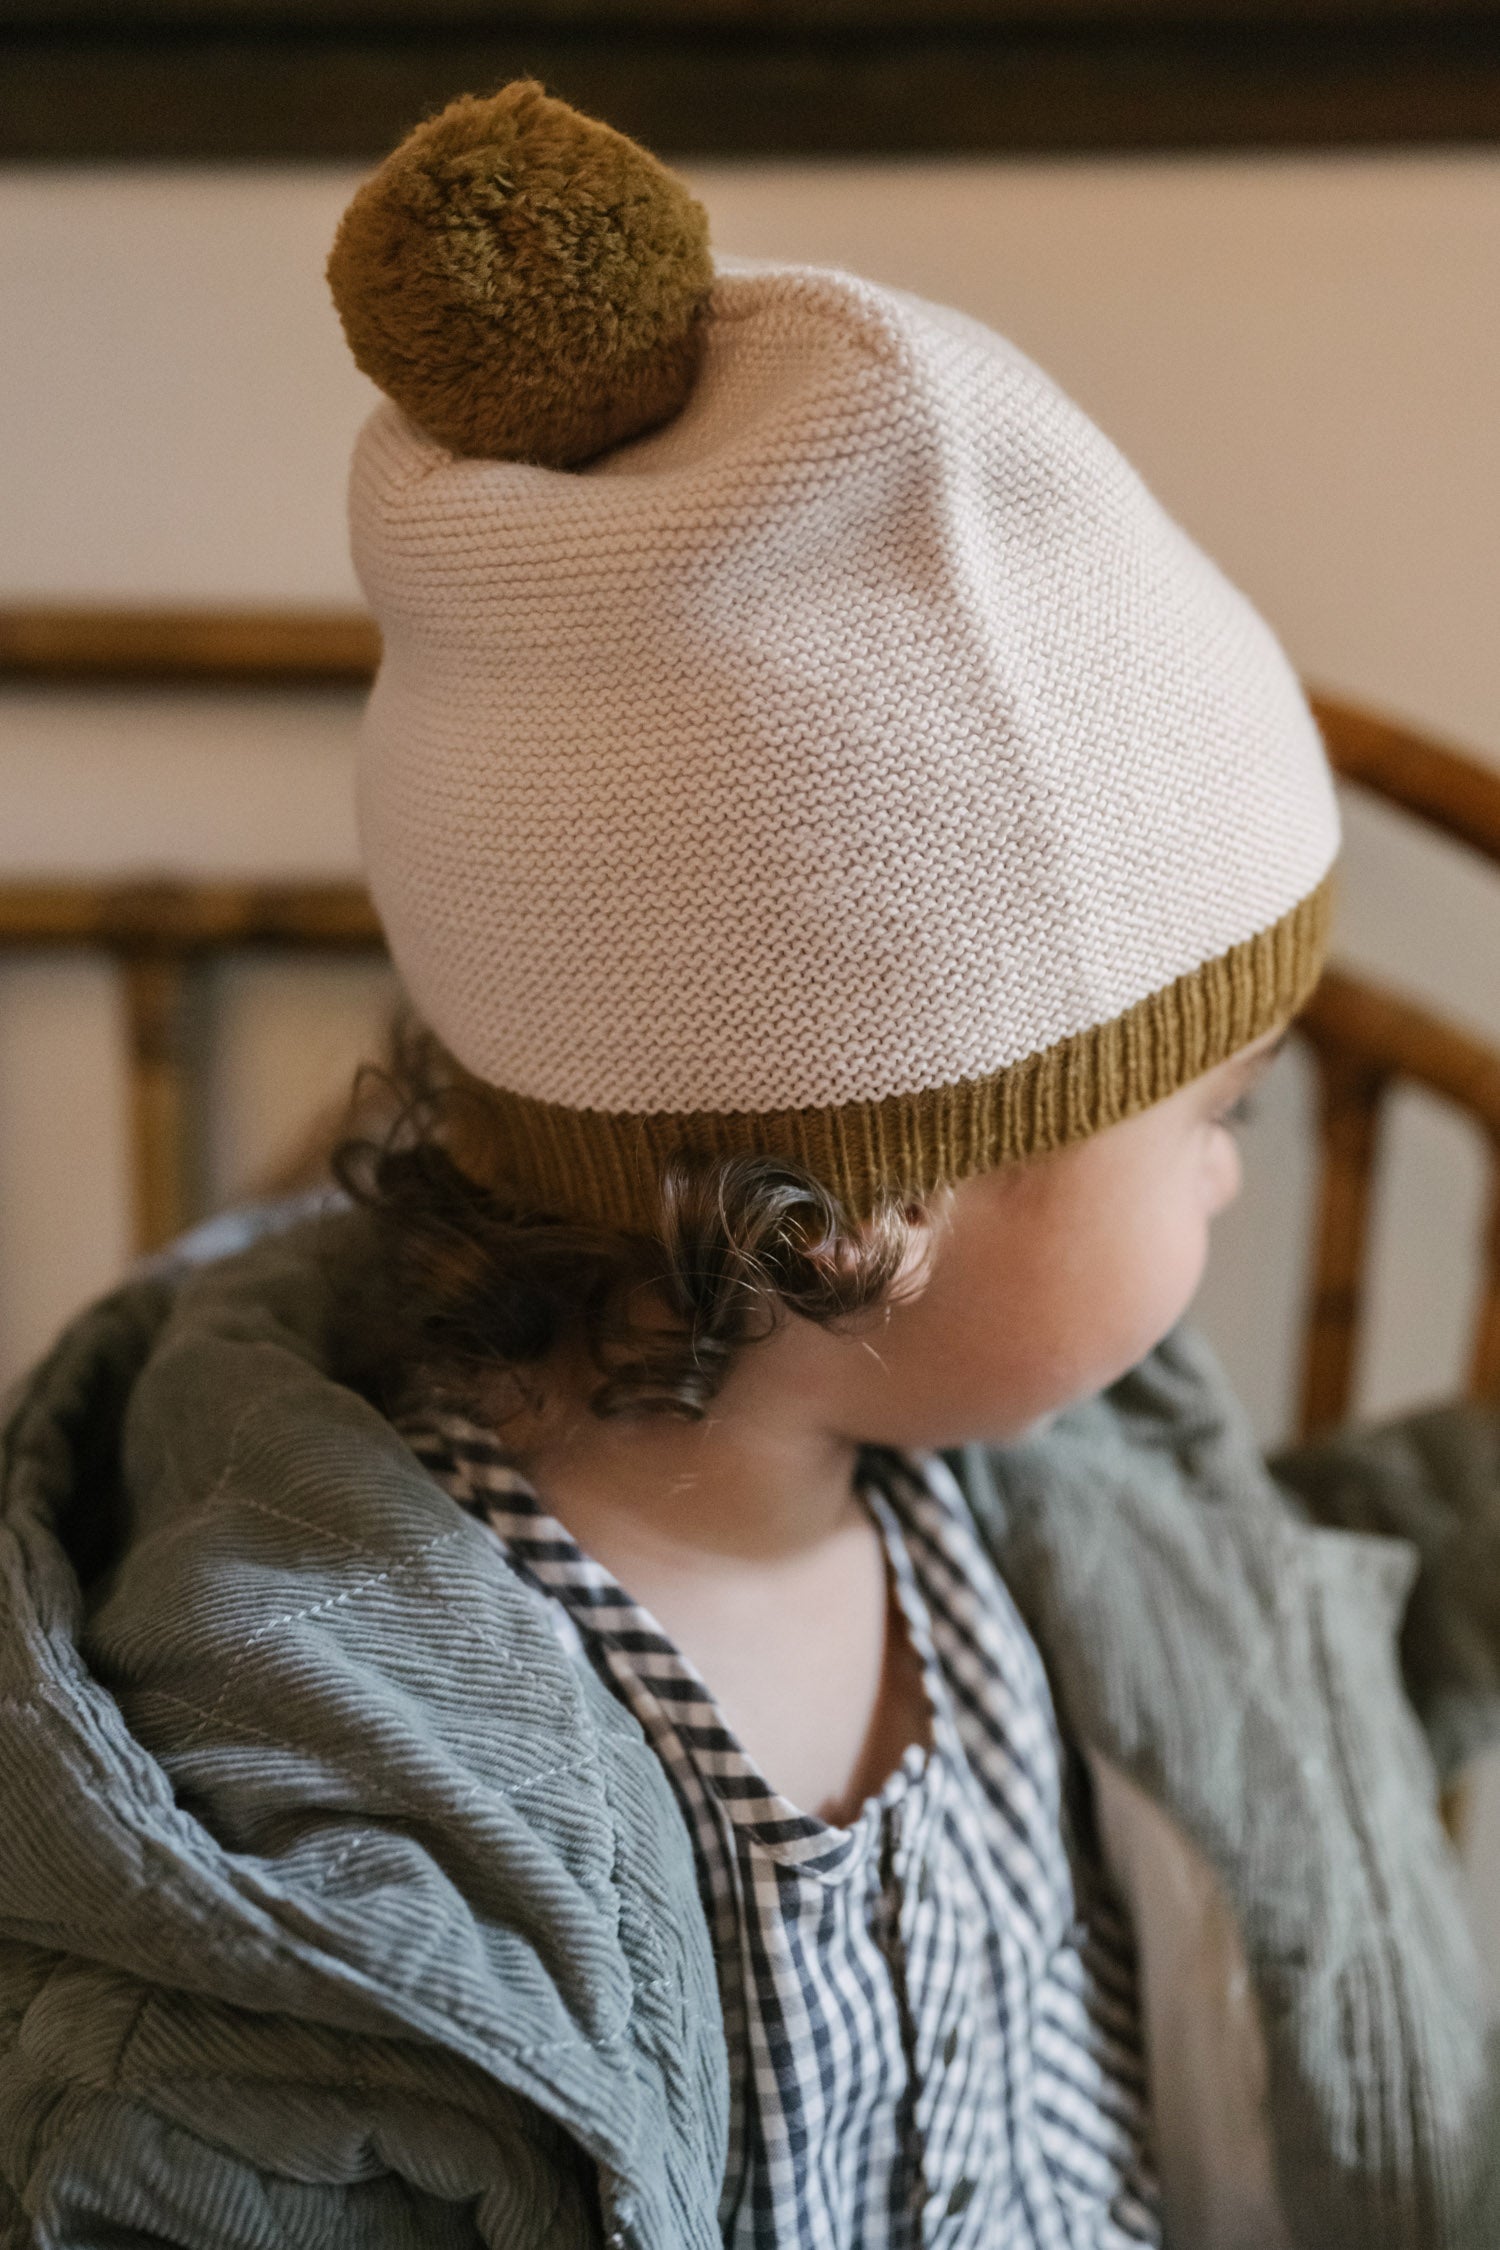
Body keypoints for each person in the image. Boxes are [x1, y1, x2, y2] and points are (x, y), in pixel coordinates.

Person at [1, 78, 1496, 2250]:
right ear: (870, 1206)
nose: (1233, 1185)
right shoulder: (329, 1830)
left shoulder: (999, 1469)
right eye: (1214, 1118)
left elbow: (1261, 1665)